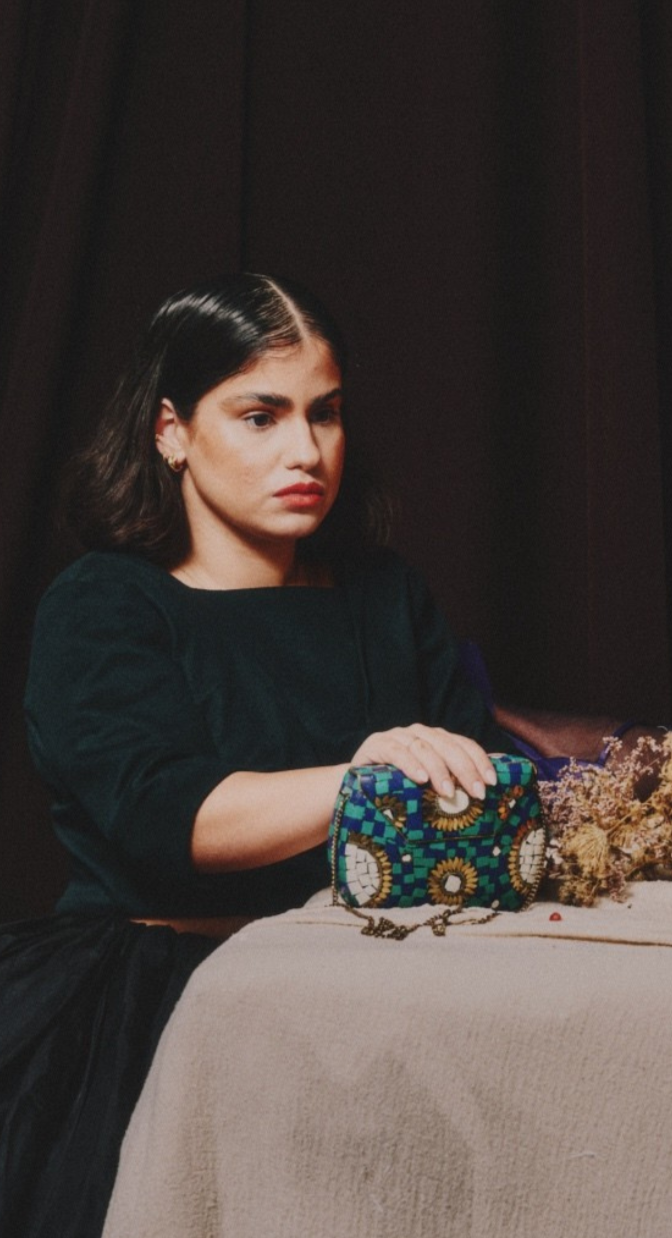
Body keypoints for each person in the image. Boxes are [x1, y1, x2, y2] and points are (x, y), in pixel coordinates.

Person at [3, 274, 523, 1237]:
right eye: (261, 415)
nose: (306, 450)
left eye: (324, 414)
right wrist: (368, 776)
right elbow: (169, 818)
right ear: (171, 431)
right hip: (157, 1002)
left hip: (378, 988)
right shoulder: (102, 604)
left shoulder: (385, 595)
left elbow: (475, 776)